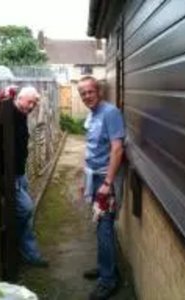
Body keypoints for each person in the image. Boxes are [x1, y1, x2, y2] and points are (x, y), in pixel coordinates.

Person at [78, 76, 125, 300]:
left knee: (104, 227)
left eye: (89, 91)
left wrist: (107, 183)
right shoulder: (93, 114)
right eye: (83, 93)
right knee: (99, 225)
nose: (86, 96)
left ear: (98, 91)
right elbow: (91, 147)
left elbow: (117, 150)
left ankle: (108, 280)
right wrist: (84, 178)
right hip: (93, 177)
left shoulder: (110, 113)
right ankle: (105, 266)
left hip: (105, 180)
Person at [0, 85, 49, 268]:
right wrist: (3, 97)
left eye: (34, 103)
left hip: (20, 174)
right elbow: (1, 106)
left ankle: (29, 252)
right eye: (29, 102)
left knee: (27, 216)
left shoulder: (22, 116)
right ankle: (14, 242)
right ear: (19, 98)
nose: (31, 106)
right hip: (9, 176)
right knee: (26, 209)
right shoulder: (8, 111)